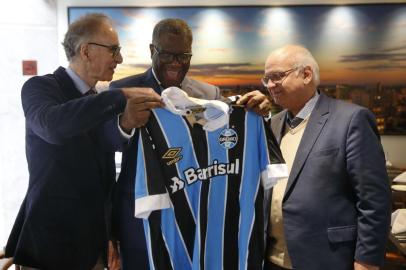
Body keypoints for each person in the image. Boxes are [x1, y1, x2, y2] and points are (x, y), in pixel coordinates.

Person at [109, 18, 272, 270]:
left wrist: (258, 111)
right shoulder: (122, 90)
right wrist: (127, 124)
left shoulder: (208, 95)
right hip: (141, 214)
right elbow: (110, 146)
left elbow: (230, 137)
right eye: (168, 54)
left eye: (183, 55)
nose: (176, 63)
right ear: (152, 50)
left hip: (196, 211)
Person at [4, 13, 163, 270]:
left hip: (93, 250)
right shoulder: (40, 88)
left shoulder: (98, 100)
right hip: (49, 248)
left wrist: (124, 124)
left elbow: (102, 147)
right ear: (86, 51)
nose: (120, 59)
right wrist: (120, 96)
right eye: (114, 50)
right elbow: (53, 126)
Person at [263, 44, 391, 270]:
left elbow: (374, 200)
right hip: (272, 258)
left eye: (277, 76)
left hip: (327, 258)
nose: (270, 85)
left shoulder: (351, 120)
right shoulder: (272, 125)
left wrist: (367, 261)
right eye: (267, 79)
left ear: (306, 74)